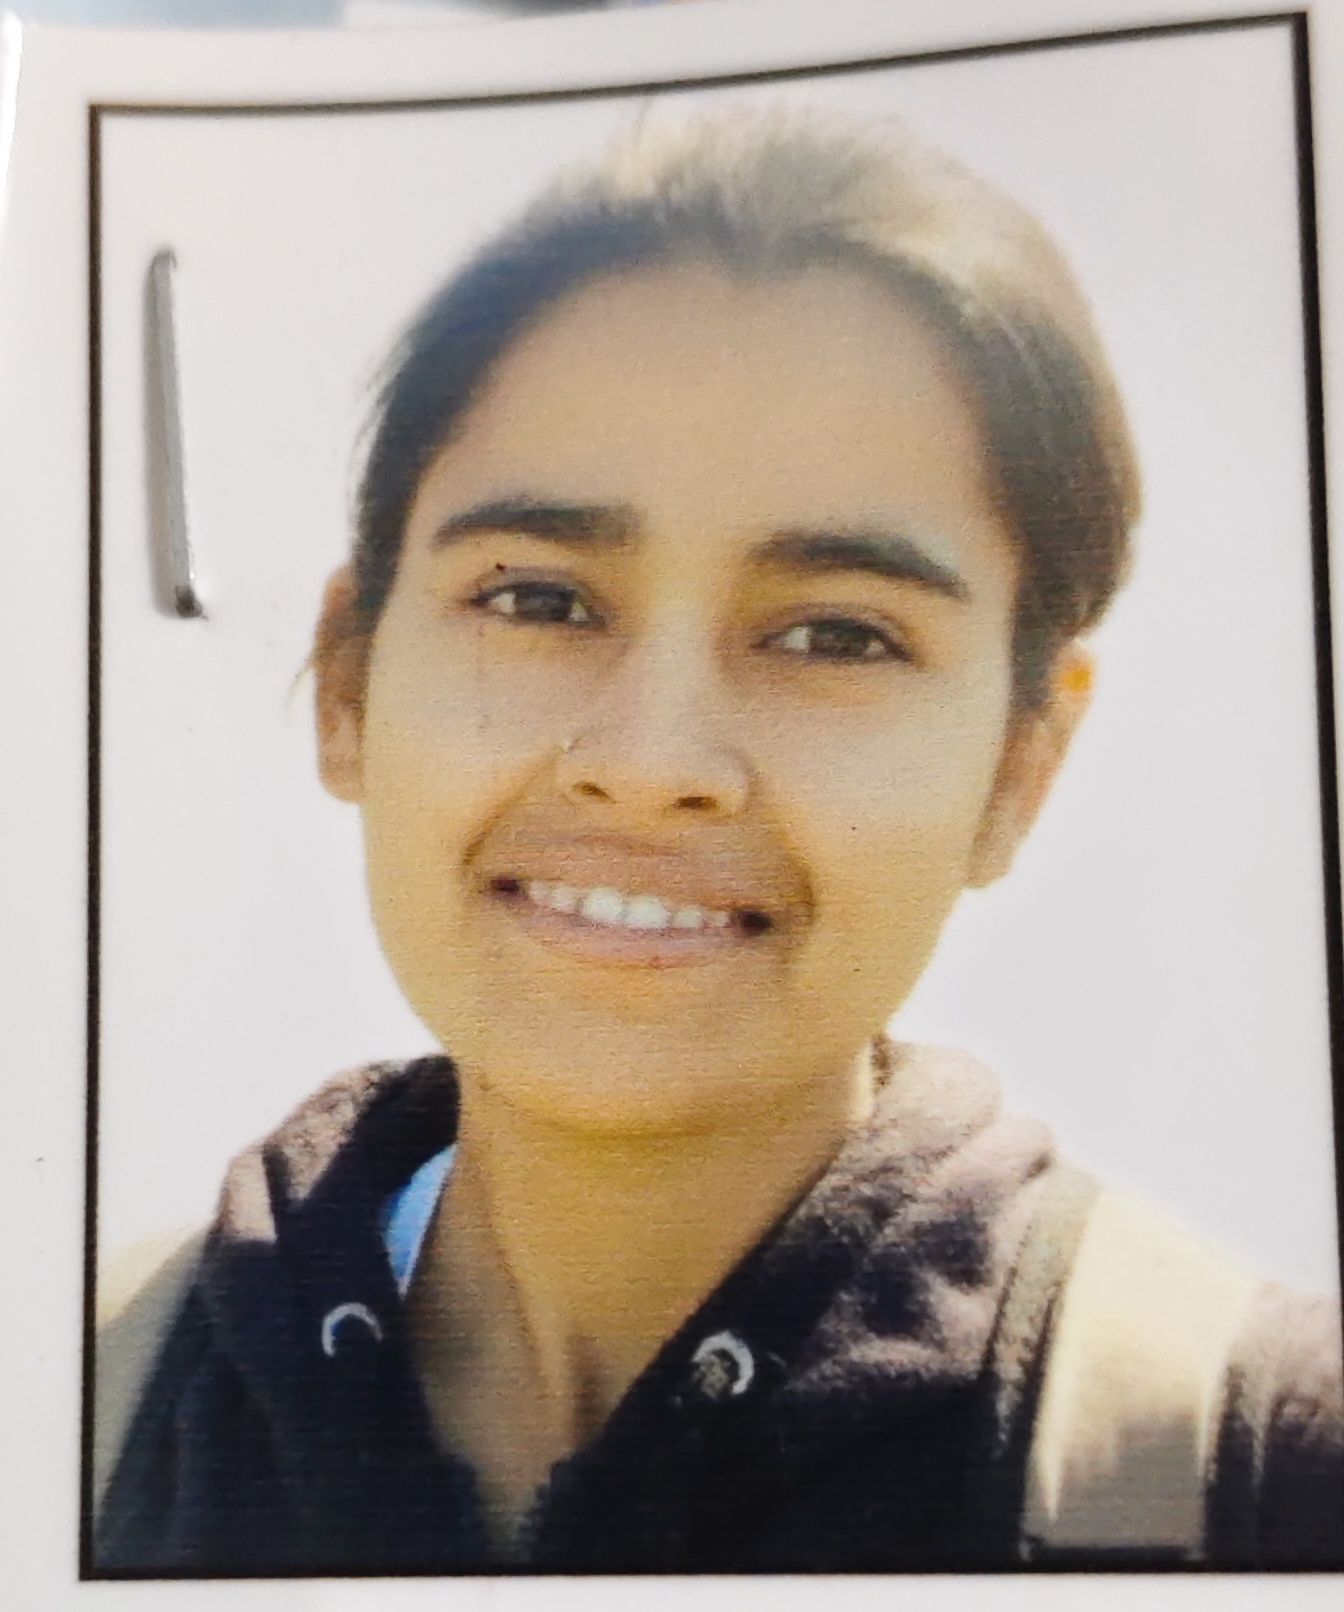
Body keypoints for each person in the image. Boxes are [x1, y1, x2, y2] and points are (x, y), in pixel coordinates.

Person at [93, 107, 1343, 1573]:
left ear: (1021, 767)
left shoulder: (1272, 1475)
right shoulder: (70, 1415)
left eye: (837, 635)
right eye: (539, 601)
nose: (651, 766)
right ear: (351, 683)